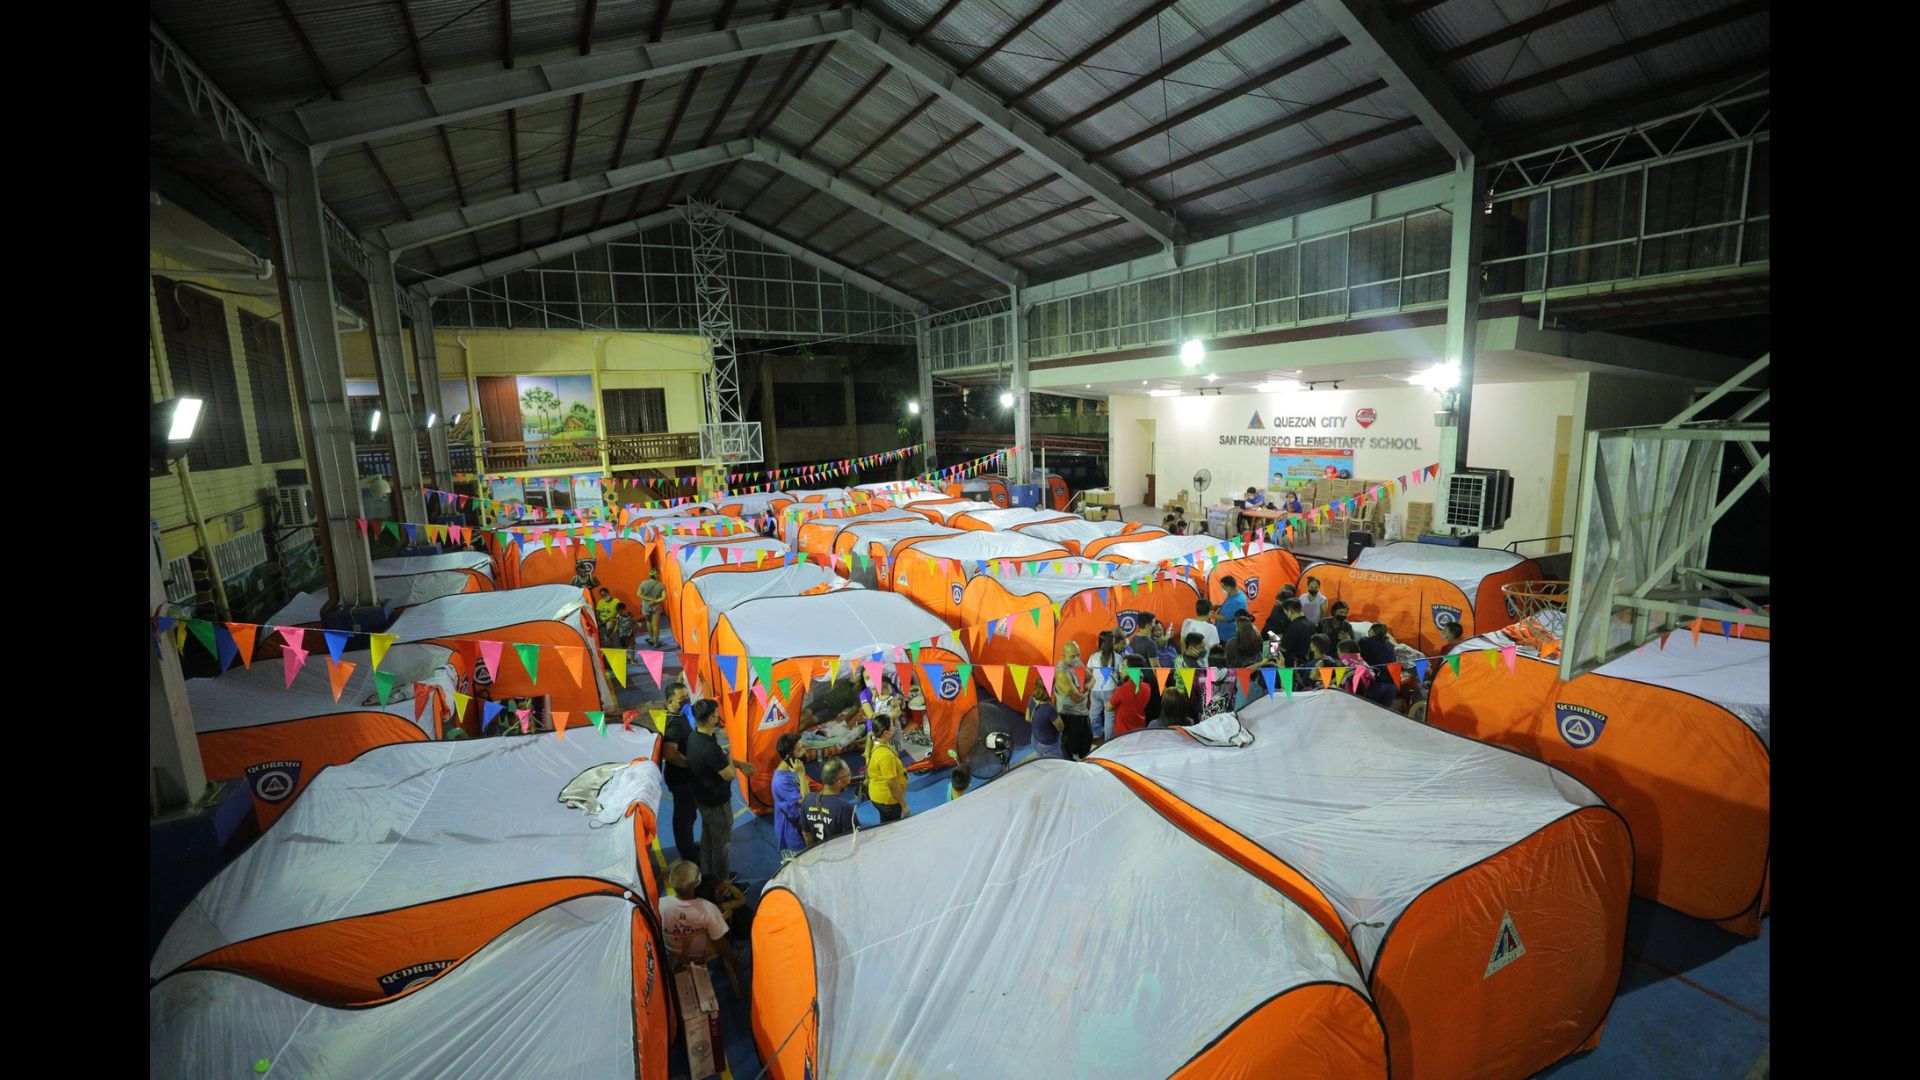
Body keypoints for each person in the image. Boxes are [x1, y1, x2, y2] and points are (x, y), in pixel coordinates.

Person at [686, 699, 754, 887]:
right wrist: (732, 758)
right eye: (716, 714)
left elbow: (719, 765)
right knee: (722, 845)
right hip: (717, 805)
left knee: (708, 839)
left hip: (703, 799)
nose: (718, 717)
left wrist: (738, 763)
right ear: (710, 719)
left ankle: (707, 876)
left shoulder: (694, 737)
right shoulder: (710, 748)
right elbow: (729, 775)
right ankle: (722, 885)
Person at [659, 860, 731, 965]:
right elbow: (721, 943)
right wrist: (734, 961)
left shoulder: (661, 903)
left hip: (671, 950)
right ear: (697, 882)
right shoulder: (707, 908)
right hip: (697, 955)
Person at [658, 686, 700, 864]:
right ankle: (688, 854)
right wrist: (692, 765)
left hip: (685, 777)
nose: (685, 701)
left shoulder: (679, 716)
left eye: (686, 697)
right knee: (684, 817)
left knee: (690, 814)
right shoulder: (673, 724)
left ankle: (688, 846)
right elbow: (670, 753)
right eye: (681, 699)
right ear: (670, 702)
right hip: (681, 779)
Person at [770, 732, 808, 864]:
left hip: (801, 824)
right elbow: (805, 799)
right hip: (792, 834)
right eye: (799, 749)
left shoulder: (793, 769)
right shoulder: (781, 782)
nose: (804, 751)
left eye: (803, 747)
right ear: (788, 756)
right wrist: (802, 775)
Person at [802, 759, 858, 846]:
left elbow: (806, 834)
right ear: (839, 782)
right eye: (849, 774)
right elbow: (851, 840)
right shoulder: (845, 808)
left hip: (817, 854)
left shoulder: (807, 800)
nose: (851, 776)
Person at [866, 712, 909, 823]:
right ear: (886, 733)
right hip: (888, 801)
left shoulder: (880, 744)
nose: (894, 728)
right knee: (892, 828)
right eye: (892, 726)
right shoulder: (885, 756)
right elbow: (892, 783)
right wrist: (903, 805)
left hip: (878, 796)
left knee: (885, 824)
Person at [1055, 641, 1093, 760]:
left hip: (1083, 712)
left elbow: (1092, 679)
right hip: (1070, 715)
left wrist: (1085, 688)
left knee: (1086, 744)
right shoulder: (1062, 672)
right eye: (1073, 656)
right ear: (1064, 655)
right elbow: (1077, 698)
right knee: (1070, 750)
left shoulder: (1077, 663)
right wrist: (1086, 691)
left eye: (1078, 654)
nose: (1076, 658)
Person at [1088, 630, 1122, 745]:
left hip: (1095, 690)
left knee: (1093, 714)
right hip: (1110, 690)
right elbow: (1122, 675)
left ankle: (1092, 736)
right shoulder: (1117, 657)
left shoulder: (1093, 656)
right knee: (1109, 716)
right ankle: (1108, 741)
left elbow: (1088, 673)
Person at [1109, 654, 1151, 738]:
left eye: (1124, 666)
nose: (1122, 669)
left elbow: (1108, 707)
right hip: (1139, 729)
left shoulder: (1122, 689)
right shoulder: (1147, 687)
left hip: (1123, 732)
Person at [1027, 682, 1065, 760]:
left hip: (1035, 739)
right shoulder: (1049, 709)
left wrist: (1041, 724)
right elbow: (1061, 728)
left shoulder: (1031, 698)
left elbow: (1027, 718)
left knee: (1040, 759)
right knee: (1057, 763)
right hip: (1049, 745)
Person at [1202, 645, 1237, 717]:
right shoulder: (1232, 674)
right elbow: (1233, 697)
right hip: (1226, 717)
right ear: (1224, 660)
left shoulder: (1201, 675)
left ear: (1209, 660)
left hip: (1205, 719)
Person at [638, 569, 668, 646]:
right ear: (657, 575)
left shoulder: (643, 583)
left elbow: (639, 594)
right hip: (656, 606)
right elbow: (664, 597)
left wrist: (648, 599)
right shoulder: (661, 585)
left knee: (648, 622)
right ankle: (656, 643)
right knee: (655, 625)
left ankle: (651, 638)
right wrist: (655, 601)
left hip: (645, 606)